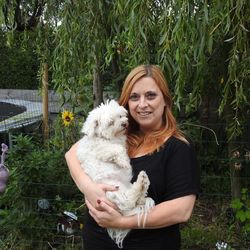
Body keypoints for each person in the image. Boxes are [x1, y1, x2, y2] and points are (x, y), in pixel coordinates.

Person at [65, 64, 200, 250]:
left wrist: (122, 221)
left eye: (151, 95)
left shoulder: (178, 148)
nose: (142, 104)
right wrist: (88, 187)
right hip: (97, 241)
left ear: (166, 100)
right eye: (134, 97)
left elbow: (181, 210)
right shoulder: (117, 135)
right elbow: (71, 154)